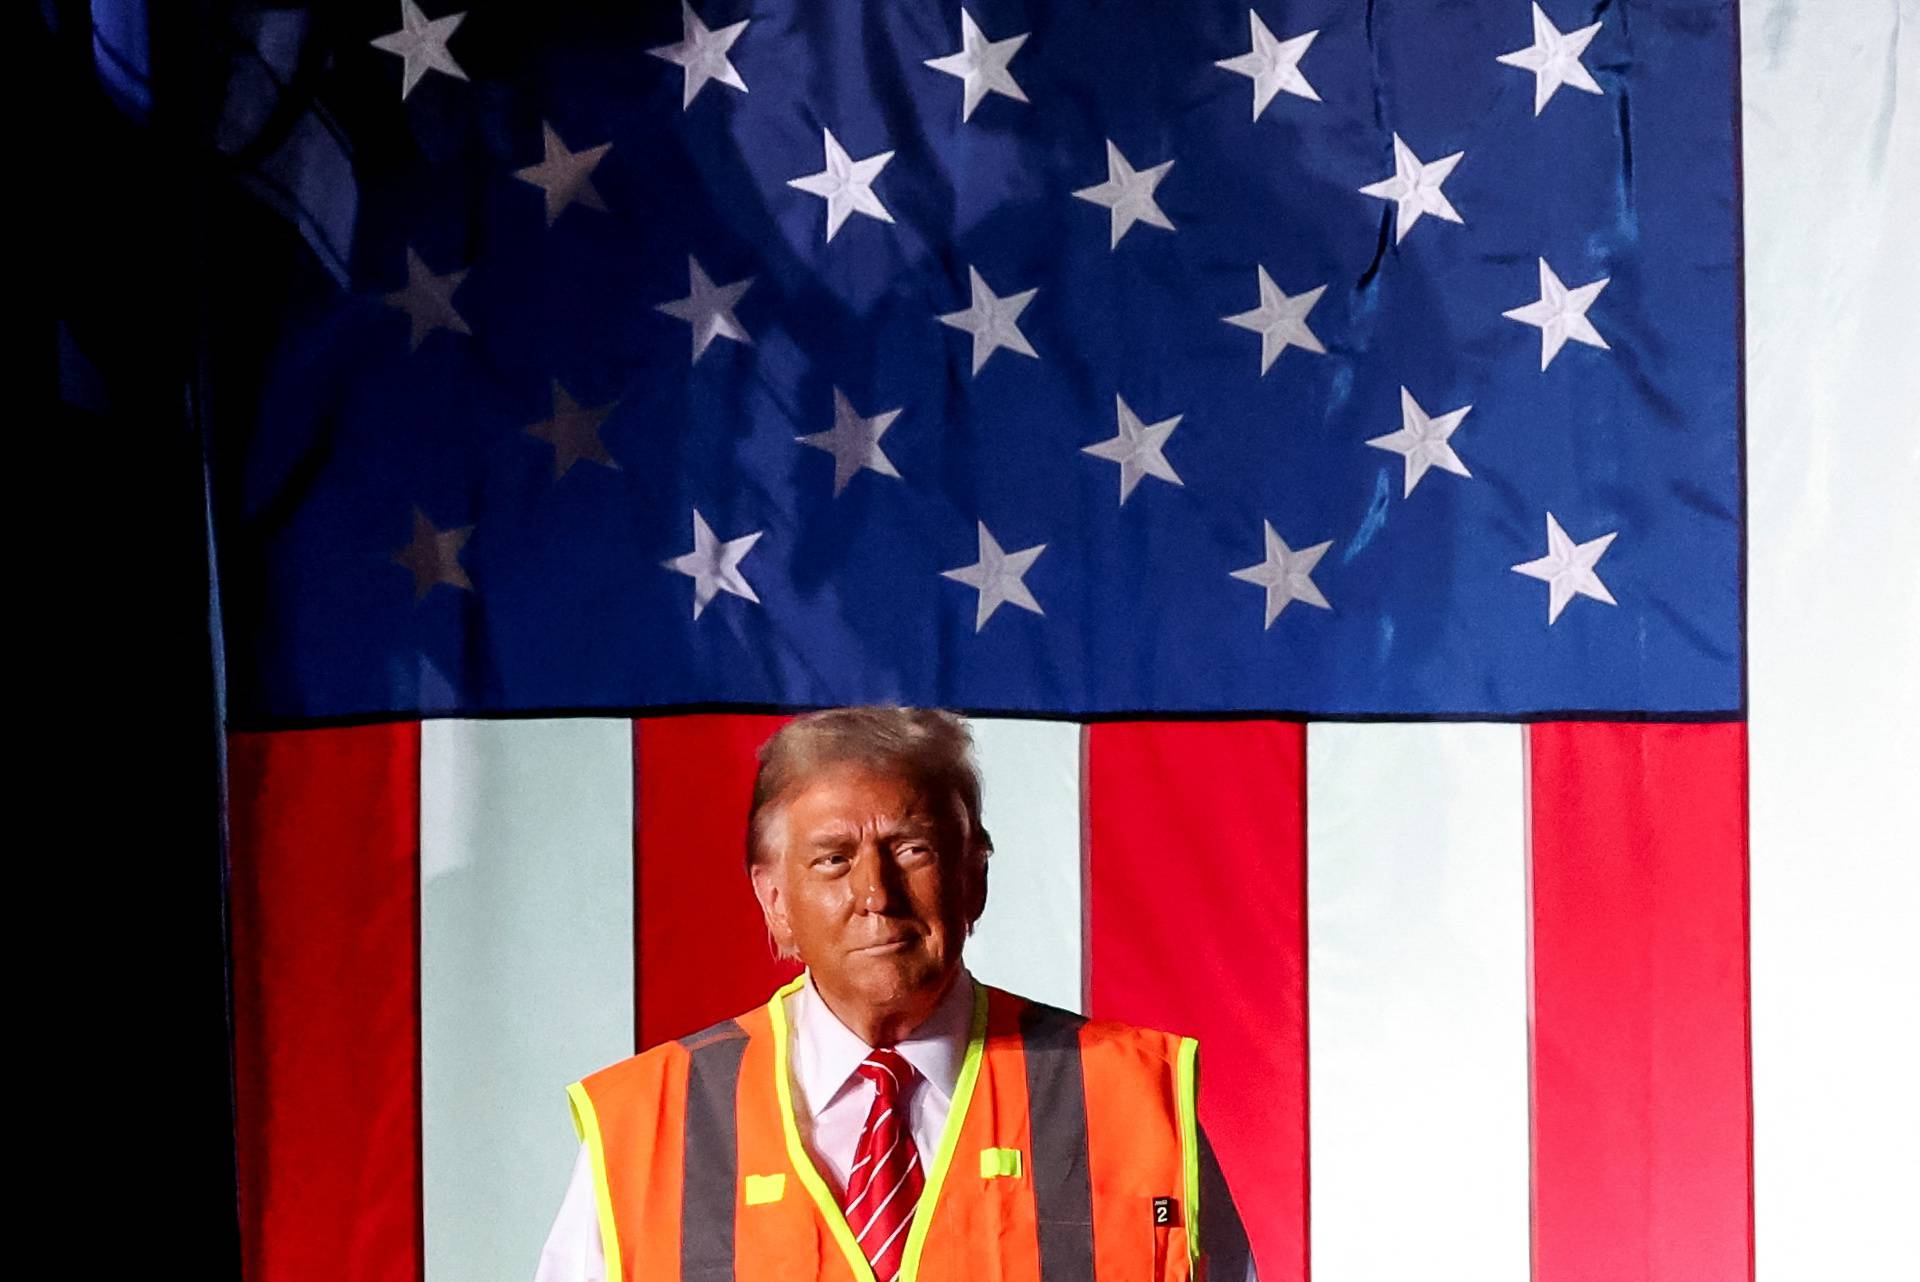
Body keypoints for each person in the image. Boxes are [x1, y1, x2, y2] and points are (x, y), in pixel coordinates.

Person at [535, 706, 1255, 1282]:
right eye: (834, 860)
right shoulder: (644, 1129)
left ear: (973, 876)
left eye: (913, 849)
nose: (876, 894)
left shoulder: (1133, 1098)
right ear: (776, 902)